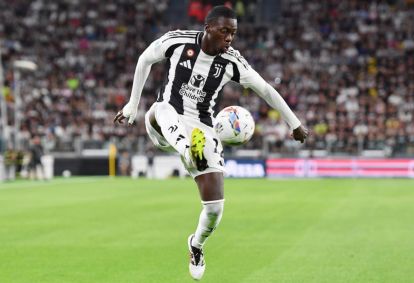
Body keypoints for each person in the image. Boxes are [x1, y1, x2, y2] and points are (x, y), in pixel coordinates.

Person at [114, 6, 308, 280]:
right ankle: (187, 150)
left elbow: (265, 89)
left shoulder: (232, 62)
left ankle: (196, 244)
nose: (230, 38)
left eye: (234, 33)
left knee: (215, 207)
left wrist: (295, 123)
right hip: (165, 119)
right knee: (160, 109)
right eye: (225, 31)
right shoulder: (177, 41)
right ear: (208, 28)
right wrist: (132, 106)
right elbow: (145, 59)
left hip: (203, 128)